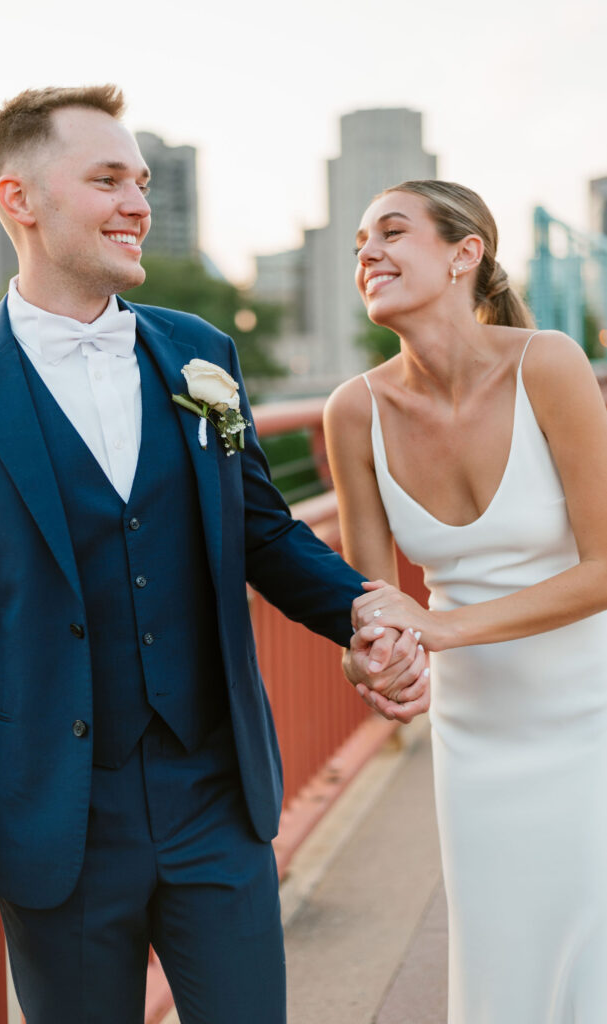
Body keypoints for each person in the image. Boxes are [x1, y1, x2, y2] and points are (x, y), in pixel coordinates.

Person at [0, 86, 428, 1024]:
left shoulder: (198, 351)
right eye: (107, 179)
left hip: (215, 798)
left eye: (143, 182)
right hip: (54, 819)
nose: (137, 204)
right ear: (18, 199)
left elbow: (264, 532)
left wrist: (365, 608)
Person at [324, 179, 607, 1022]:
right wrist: (374, 663)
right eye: (357, 246)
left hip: (592, 715)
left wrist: (439, 627)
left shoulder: (546, 362)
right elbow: (371, 607)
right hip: (475, 739)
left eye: (391, 231)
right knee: (501, 971)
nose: (367, 252)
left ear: (463, 253)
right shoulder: (353, 412)